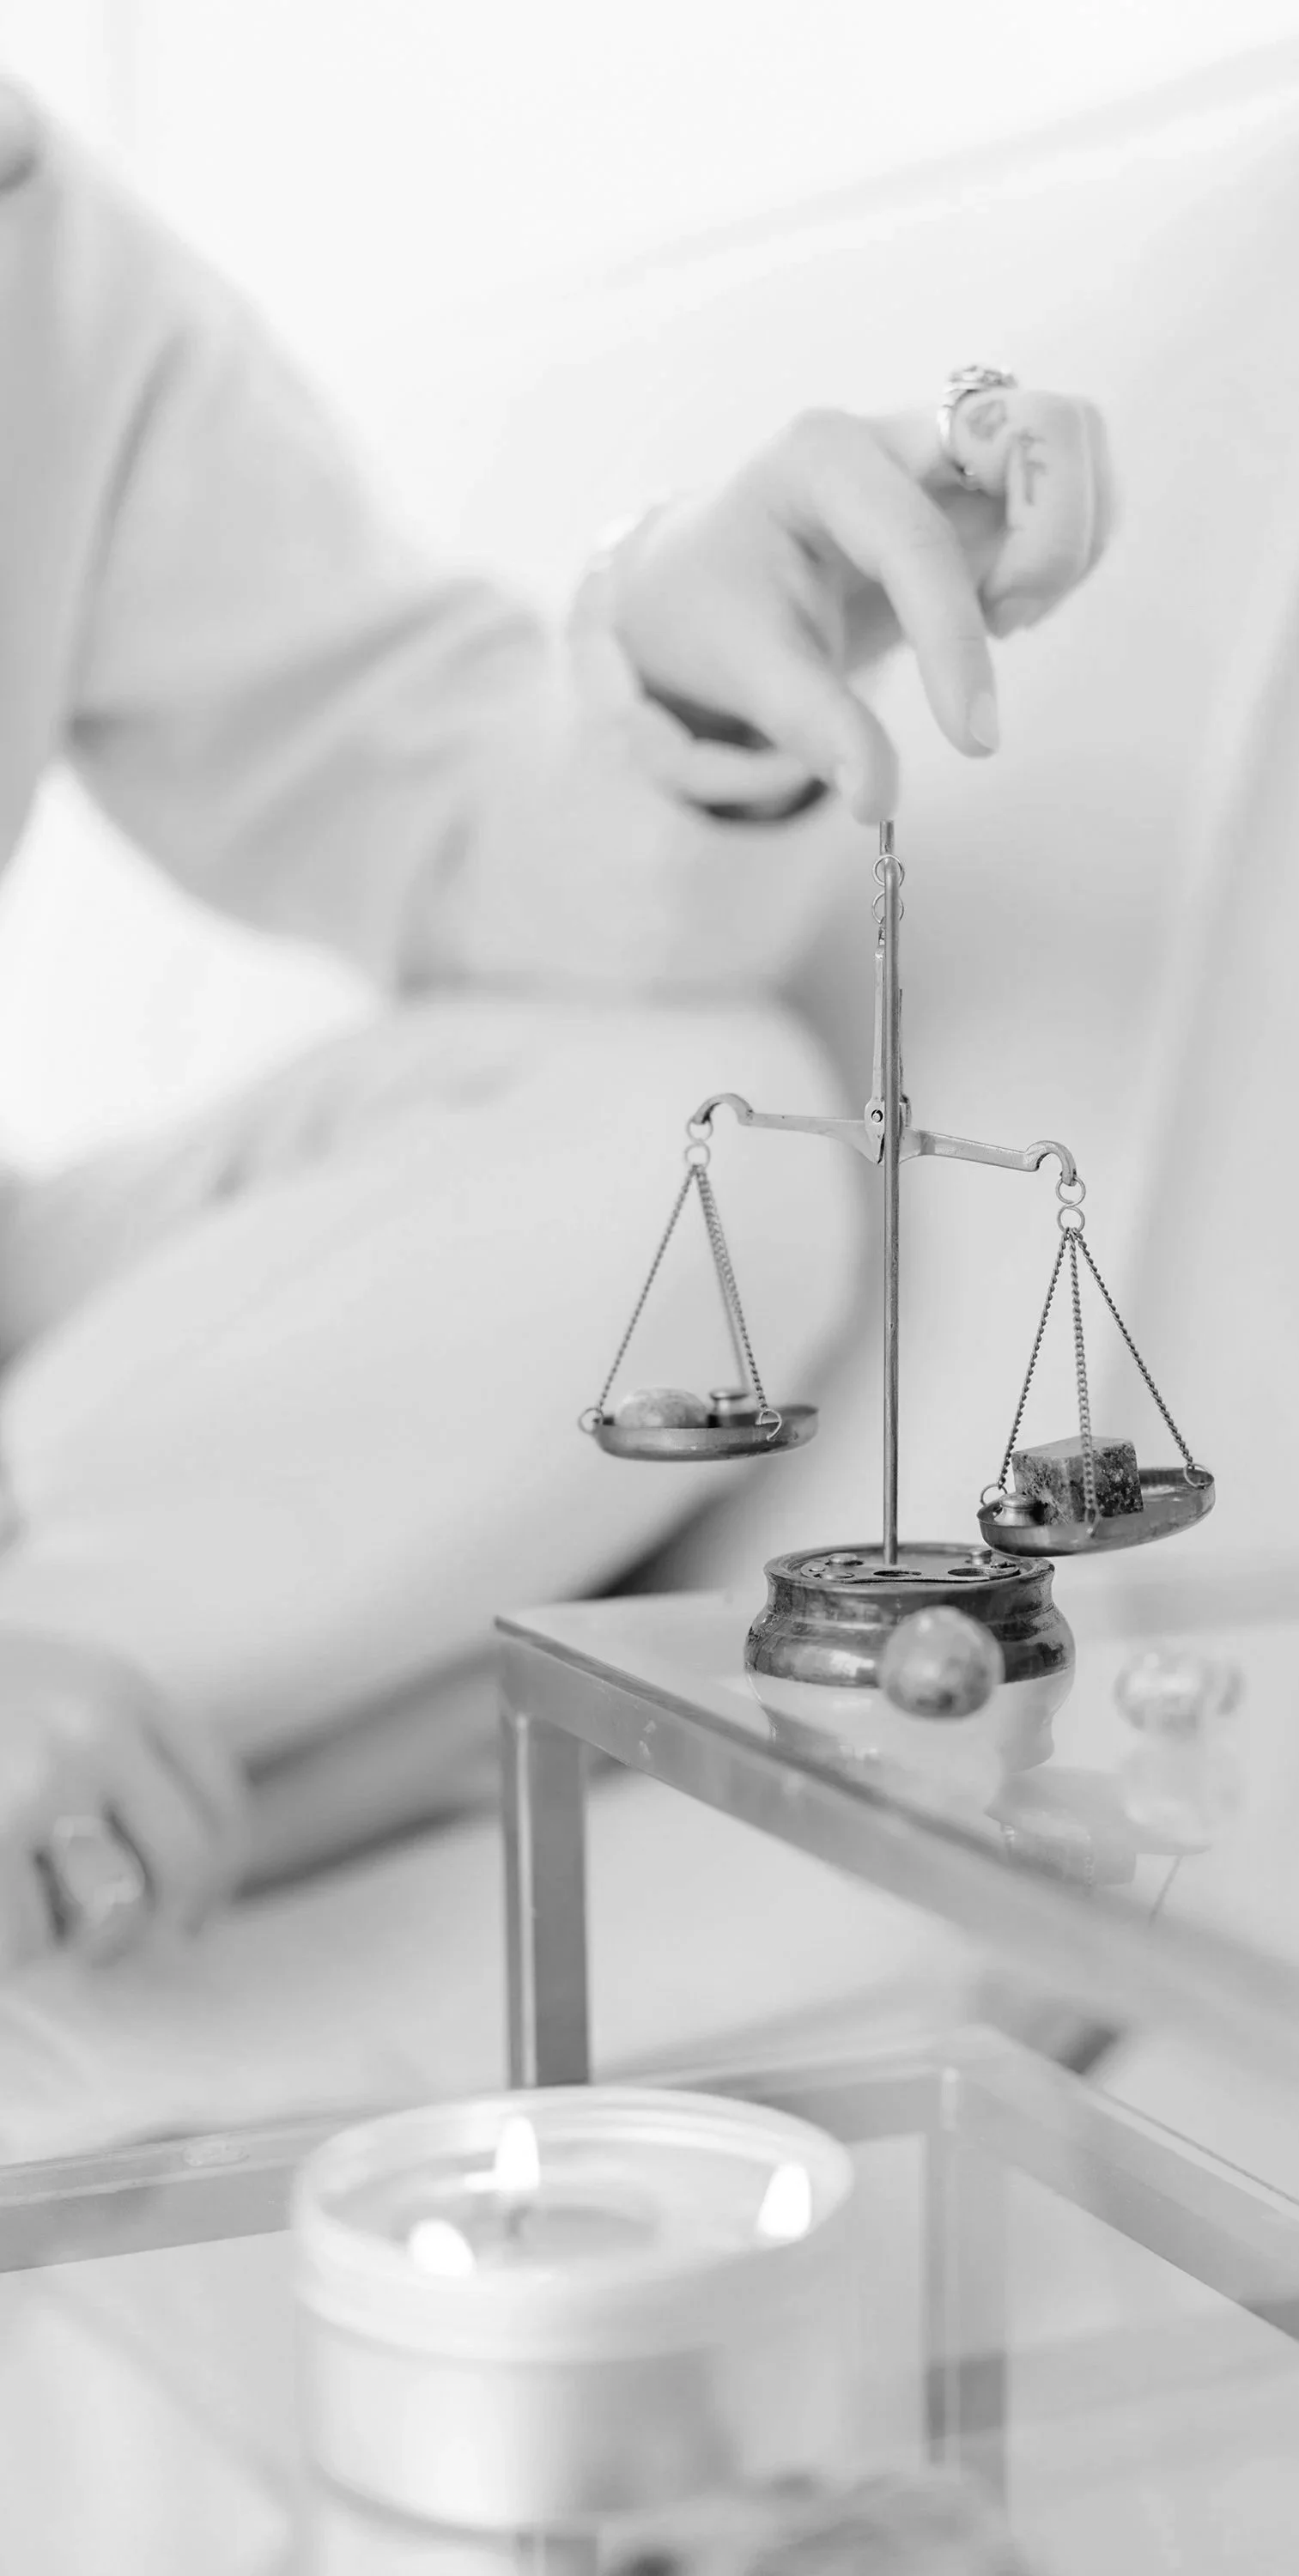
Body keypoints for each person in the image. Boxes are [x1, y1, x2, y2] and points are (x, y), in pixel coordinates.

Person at [0, 81, 1116, 1974]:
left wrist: (695, 678)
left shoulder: (45, 264)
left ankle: (125, 1741)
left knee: (705, 1140)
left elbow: (414, 791)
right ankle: (248, 1755)